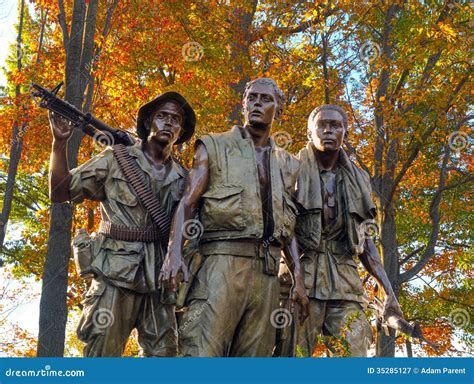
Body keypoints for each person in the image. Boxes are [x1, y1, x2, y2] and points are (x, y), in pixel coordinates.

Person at [159, 78, 309, 357]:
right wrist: (174, 254)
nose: (257, 104)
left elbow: (289, 228)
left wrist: (298, 278)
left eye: (266, 99)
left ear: (279, 109)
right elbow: (188, 202)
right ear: (243, 104)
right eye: (252, 98)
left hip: (266, 274)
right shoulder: (214, 146)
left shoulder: (289, 164)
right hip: (220, 264)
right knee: (200, 353)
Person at [48, 92, 195, 357]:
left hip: (160, 280)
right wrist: (59, 144)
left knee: (166, 359)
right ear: (149, 121)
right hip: (114, 273)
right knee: (103, 355)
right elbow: (61, 192)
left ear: (181, 131)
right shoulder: (116, 158)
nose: (168, 123)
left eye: (176, 119)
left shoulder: (185, 178)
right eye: (162, 116)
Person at [279, 104, 404, 357]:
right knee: (292, 356)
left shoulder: (358, 178)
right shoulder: (290, 170)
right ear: (309, 132)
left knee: (355, 352)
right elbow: (285, 229)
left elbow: (366, 244)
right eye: (322, 125)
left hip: (345, 280)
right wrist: (297, 279)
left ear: (345, 132)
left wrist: (389, 293)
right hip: (301, 277)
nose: (328, 130)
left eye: (335, 126)